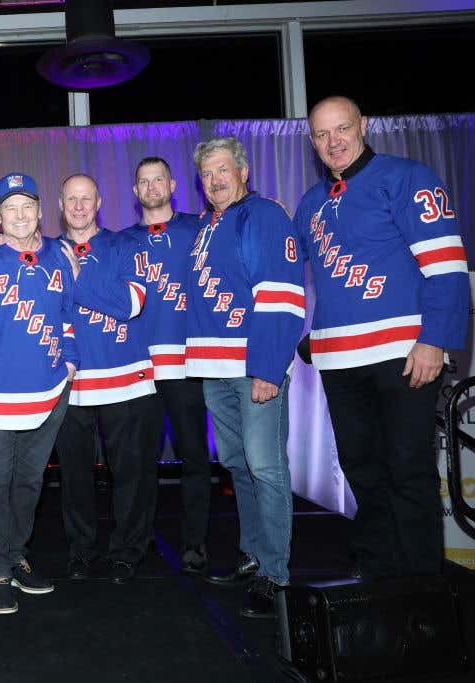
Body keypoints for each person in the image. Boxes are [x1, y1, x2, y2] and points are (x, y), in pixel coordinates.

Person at [294, 96, 469, 579]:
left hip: (404, 355)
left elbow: (448, 268)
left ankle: (422, 589)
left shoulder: (407, 178)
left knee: (408, 470)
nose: (333, 142)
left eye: (342, 129)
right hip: (340, 363)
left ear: (363, 126)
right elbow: (285, 272)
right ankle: (378, 577)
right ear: (312, 141)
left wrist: (435, 339)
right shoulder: (311, 203)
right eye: (322, 135)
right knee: (362, 471)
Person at [186, 137, 304, 618]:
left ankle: (275, 573)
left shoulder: (264, 216)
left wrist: (268, 368)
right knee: (238, 466)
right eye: (207, 174)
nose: (215, 180)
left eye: (222, 170)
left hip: (253, 368)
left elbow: (281, 295)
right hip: (215, 369)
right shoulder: (208, 224)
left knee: (266, 467)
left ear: (243, 170)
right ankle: (253, 554)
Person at [0, 172, 77, 614]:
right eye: (11, 207)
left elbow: (69, 316)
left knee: (29, 482)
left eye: (28, 206)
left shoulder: (58, 257)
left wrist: (70, 361)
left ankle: (16, 553)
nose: (21, 215)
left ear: (41, 212)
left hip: (48, 390)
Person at [51, 174, 157, 584]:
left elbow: (129, 303)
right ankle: (81, 550)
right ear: (61, 204)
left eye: (86, 200)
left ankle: (128, 550)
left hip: (123, 377)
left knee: (129, 472)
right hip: (69, 381)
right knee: (75, 475)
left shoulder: (124, 245)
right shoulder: (49, 251)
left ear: (99, 203)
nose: (78, 207)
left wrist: (76, 280)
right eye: (71, 199)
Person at [127, 156, 213, 574]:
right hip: (140, 368)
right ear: (134, 191)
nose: (151, 186)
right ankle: (137, 541)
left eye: (158, 178)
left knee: (194, 455)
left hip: (186, 364)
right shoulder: (121, 242)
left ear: (173, 184)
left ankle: (195, 542)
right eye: (143, 181)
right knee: (139, 461)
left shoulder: (198, 229)